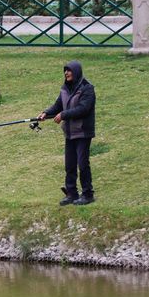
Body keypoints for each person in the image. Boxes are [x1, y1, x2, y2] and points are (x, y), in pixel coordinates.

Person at [38, 61, 96, 206]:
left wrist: (63, 115)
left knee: (83, 164)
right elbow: (58, 105)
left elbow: (83, 109)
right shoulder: (65, 88)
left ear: (76, 72)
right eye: (65, 71)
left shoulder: (87, 89)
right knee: (69, 165)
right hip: (70, 133)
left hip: (83, 132)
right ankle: (71, 193)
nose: (66, 73)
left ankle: (88, 194)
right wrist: (46, 113)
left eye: (69, 71)